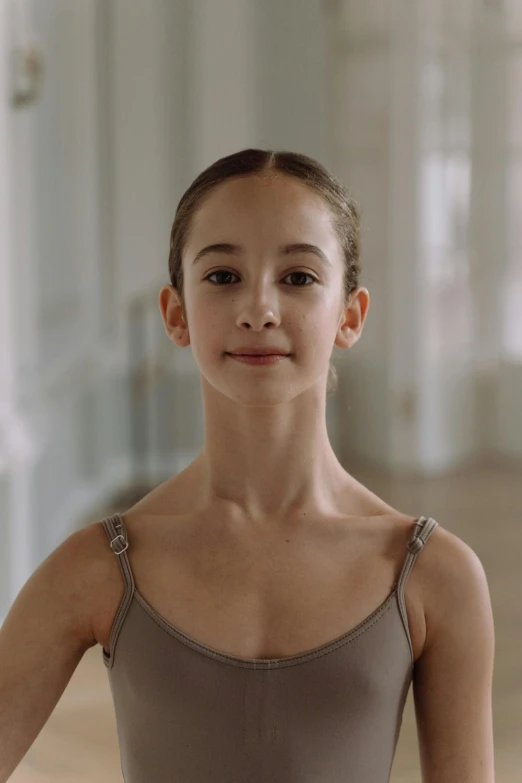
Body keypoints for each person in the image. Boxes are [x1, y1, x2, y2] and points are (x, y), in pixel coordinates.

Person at [0, 149, 495, 783]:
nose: (258, 309)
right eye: (223, 276)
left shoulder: (435, 576)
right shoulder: (97, 568)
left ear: (350, 315)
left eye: (298, 278)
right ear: (176, 313)